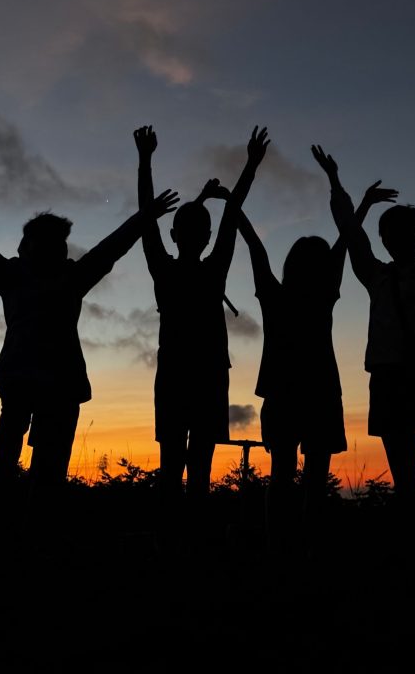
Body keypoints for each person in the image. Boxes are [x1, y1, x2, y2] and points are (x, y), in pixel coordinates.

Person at [0, 174, 179, 538]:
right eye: (50, 241)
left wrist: (145, 217)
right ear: (29, 245)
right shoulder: (16, 275)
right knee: (8, 461)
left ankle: (32, 532)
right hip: (23, 379)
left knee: (46, 469)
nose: (60, 248)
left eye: (61, 242)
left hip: (59, 385)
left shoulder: (66, 276)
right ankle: (4, 526)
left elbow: (112, 247)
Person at [315, 136, 415, 526]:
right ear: (387, 239)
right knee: (405, 474)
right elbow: (352, 233)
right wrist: (335, 183)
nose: (400, 240)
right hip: (393, 378)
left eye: (406, 234)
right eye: (393, 235)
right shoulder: (378, 276)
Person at [230, 174, 397, 553]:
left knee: (282, 476)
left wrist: (235, 205)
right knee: (314, 479)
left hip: (283, 394)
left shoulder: (275, 296)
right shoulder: (323, 295)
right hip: (320, 393)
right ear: (322, 269)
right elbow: (344, 245)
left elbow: (255, 246)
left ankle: (279, 547)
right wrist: (364, 204)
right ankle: (309, 547)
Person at [134, 123, 270, 542]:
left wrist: (145, 159)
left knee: (172, 459)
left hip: (176, 373)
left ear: (176, 235)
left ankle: (171, 534)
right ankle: (191, 536)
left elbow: (148, 223)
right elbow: (229, 217)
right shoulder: (213, 271)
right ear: (206, 237)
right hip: (208, 374)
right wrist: (249, 166)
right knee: (198, 463)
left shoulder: (164, 269)